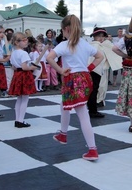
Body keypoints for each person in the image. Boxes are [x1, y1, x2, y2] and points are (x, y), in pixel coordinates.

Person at [47, 14, 103, 161]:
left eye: (61, 31)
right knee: (65, 105)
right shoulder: (84, 43)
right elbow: (100, 56)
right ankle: (63, 134)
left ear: (66, 29)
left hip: (72, 79)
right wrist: (89, 68)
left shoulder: (64, 45)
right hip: (85, 78)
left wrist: (59, 70)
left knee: (82, 112)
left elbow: (49, 58)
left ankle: (92, 149)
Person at [9, 32, 38, 127]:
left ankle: (17, 119)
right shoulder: (24, 53)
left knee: (19, 98)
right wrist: (32, 68)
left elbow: (13, 67)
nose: (26, 42)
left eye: (26, 40)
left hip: (17, 75)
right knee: (25, 99)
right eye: (24, 40)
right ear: (17, 43)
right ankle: (20, 120)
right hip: (24, 75)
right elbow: (25, 67)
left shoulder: (13, 53)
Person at [87, 27, 107, 118]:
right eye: (99, 36)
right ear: (94, 36)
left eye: (102, 36)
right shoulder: (96, 45)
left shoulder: (93, 45)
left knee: (93, 90)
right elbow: (91, 59)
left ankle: (92, 109)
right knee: (93, 91)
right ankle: (92, 110)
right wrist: (90, 69)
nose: (101, 38)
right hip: (94, 70)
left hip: (94, 70)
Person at [2, 28, 14, 97]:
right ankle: (7, 91)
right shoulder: (8, 46)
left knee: (10, 77)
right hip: (7, 64)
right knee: (8, 78)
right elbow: (6, 54)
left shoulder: (10, 46)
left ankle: (9, 90)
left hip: (9, 64)